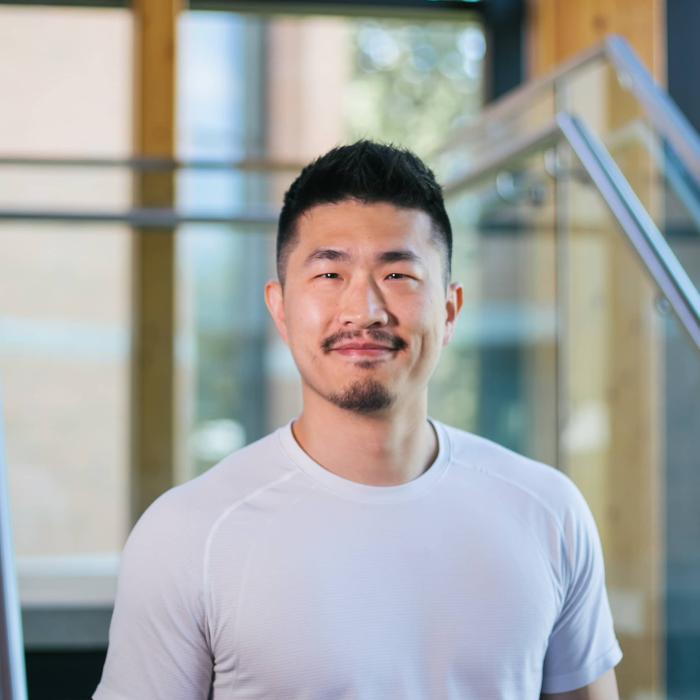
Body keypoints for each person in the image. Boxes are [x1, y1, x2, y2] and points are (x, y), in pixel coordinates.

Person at [93, 140, 622, 700]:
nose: (364, 310)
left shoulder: (549, 513)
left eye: (399, 275)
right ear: (280, 307)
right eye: (329, 275)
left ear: (449, 311)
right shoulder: (187, 533)